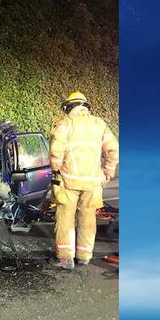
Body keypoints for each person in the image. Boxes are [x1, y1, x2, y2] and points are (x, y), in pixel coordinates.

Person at [47, 91, 119, 269]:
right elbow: (113, 149)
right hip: (93, 183)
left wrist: (56, 169)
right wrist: (107, 173)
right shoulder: (99, 124)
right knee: (88, 218)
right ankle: (84, 256)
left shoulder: (65, 124)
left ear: (69, 107)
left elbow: (56, 151)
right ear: (85, 106)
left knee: (65, 218)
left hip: (69, 181)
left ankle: (65, 258)